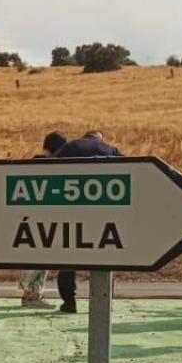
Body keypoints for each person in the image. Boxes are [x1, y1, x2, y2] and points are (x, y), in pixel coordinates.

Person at [50, 129, 122, 313]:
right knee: (105, 258)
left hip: (73, 211)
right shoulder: (111, 150)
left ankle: (69, 303)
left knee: (68, 256)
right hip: (103, 213)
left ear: (85, 137)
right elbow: (131, 171)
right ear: (99, 138)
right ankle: (104, 302)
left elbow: (49, 169)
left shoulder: (71, 146)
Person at [19, 131, 68, 308]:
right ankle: (31, 297)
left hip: (30, 217)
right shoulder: (50, 164)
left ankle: (30, 295)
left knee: (35, 258)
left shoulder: (33, 161)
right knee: (40, 259)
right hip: (43, 218)